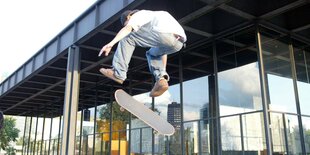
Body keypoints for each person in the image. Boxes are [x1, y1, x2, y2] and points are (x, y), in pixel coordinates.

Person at [98, 10, 186, 97]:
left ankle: (118, 73)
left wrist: (110, 44)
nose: (131, 27)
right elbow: (162, 52)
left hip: (164, 35)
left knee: (127, 37)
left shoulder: (138, 14)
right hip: (179, 43)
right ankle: (161, 80)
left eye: (127, 23)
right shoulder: (156, 16)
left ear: (129, 17)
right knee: (153, 54)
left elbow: (128, 29)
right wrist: (162, 70)